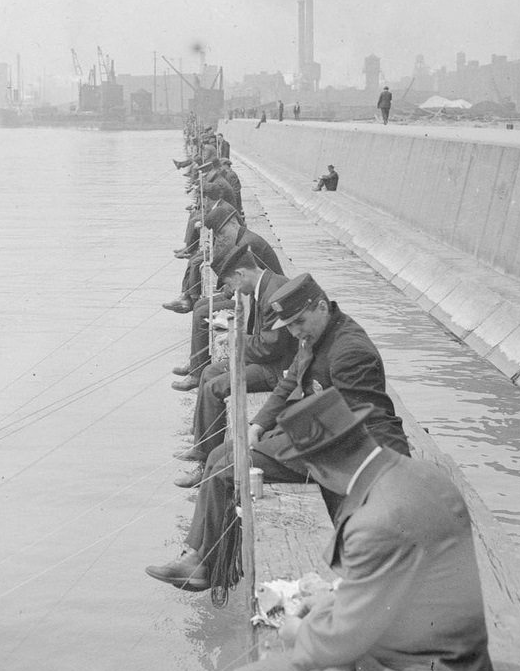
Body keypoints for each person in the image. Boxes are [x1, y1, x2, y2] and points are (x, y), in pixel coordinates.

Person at [207, 388, 500, 671]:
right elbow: (395, 594)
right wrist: (331, 601)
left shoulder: (378, 519)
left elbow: (339, 643)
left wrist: (294, 631)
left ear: (319, 468)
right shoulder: (418, 476)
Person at [147, 273, 409, 593]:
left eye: (299, 323)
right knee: (221, 455)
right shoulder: (317, 333)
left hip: (357, 450)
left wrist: (284, 434)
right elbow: (290, 381)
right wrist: (259, 425)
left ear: (322, 306)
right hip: (323, 431)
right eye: (291, 327)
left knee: (229, 466)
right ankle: (197, 557)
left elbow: (355, 423)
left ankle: (203, 563)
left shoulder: (350, 351)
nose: (296, 332)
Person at [173, 246, 297, 486]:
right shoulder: (265, 286)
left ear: (240, 274)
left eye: (232, 284)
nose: (234, 292)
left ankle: (204, 464)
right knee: (209, 372)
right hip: (267, 359)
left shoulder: (273, 293)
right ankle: (202, 445)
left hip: (277, 369)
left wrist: (236, 339)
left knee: (215, 387)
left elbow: (269, 348)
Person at [169, 202, 284, 390]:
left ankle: (197, 372)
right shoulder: (242, 240)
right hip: (247, 295)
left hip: (255, 300)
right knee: (200, 306)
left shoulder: (249, 244)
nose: (221, 238)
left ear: (232, 223)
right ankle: (197, 362)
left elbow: (249, 278)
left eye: (222, 233)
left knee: (202, 312)